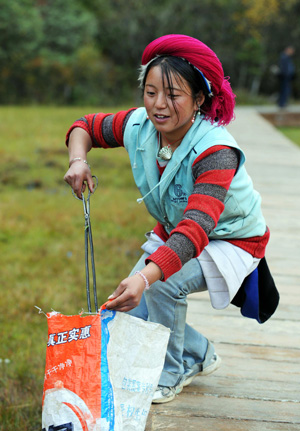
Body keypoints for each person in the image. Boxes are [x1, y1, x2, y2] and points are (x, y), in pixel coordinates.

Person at [64, 34, 278, 404]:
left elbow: (195, 230)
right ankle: (199, 353)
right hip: (177, 232)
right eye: (150, 92)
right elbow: (85, 126)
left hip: (231, 239)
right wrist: (78, 161)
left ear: (199, 99)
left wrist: (146, 276)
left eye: (173, 95)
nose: (158, 106)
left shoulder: (216, 152)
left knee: (159, 285)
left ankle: (172, 372)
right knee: (127, 309)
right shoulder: (139, 126)